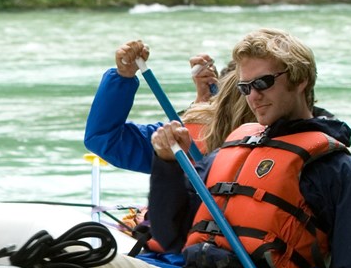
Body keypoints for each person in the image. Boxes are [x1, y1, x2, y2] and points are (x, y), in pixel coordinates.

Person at [93, 28, 351, 268]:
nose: (253, 96)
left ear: (300, 79)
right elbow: (171, 234)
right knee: (67, 267)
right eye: (245, 87)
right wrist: (168, 166)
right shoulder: (231, 149)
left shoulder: (338, 170)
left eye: (263, 83)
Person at [83, 40, 253, 268]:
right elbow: (105, 139)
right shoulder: (185, 134)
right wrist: (123, 77)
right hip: (162, 258)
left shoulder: (275, 147)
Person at [84, 39, 250, 175]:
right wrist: (200, 106)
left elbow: (103, 138)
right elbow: (105, 138)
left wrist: (124, 76)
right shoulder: (186, 135)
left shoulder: (187, 136)